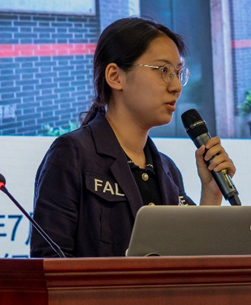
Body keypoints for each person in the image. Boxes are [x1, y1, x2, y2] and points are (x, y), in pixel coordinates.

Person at [31, 17, 236, 258]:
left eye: (178, 73)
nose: (176, 87)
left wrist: (211, 193)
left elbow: (191, 262)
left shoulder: (168, 170)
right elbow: (49, 262)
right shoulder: (73, 154)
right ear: (115, 76)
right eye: (163, 71)